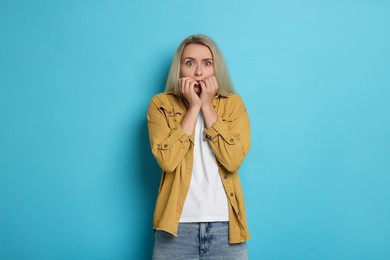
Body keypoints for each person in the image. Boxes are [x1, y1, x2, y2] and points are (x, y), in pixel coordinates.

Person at [147, 34, 250, 259]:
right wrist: (193, 108)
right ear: (179, 69)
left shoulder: (233, 105)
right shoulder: (161, 105)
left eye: (207, 63)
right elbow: (167, 161)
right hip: (175, 229)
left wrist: (207, 106)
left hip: (226, 229)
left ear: (216, 69)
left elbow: (233, 160)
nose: (198, 72)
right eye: (190, 63)